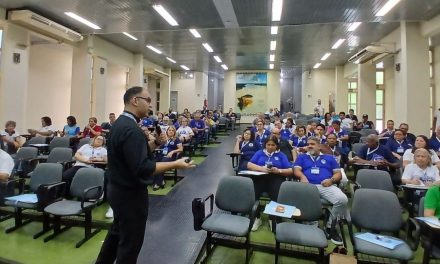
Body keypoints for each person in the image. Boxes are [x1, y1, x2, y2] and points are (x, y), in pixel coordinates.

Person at [96, 86, 194, 264]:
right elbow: (143, 167)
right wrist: (176, 163)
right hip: (129, 194)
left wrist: (156, 142)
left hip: (116, 189)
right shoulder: (132, 130)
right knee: (130, 243)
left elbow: (133, 155)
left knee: (117, 233)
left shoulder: (120, 124)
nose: (150, 105)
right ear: (135, 101)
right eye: (148, 100)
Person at [294, 136, 347, 245]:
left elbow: (338, 174)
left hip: (326, 186)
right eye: (308, 144)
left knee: (342, 199)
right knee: (304, 197)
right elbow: (296, 170)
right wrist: (302, 177)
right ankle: (312, 224)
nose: (309, 146)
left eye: (312, 144)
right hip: (308, 186)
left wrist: (331, 180)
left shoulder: (329, 158)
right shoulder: (302, 157)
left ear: (319, 146)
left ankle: (330, 227)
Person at [247, 136, 293, 231]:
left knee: (277, 196)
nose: (270, 147)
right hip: (260, 178)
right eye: (268, 144)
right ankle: (257, 218)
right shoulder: (260, 153)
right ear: (265, 145)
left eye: (273, 145)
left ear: (277, 145)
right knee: (253, 194)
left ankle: (273, 219)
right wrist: (262, 168)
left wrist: (279, 170)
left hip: (276, 178)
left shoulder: (281, 155)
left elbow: (290, 170)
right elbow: (249, 165)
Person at [152, 126, 183, 191]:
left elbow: (181, 149)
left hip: (170, 157)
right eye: (169, 130)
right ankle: (162, 180)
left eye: (172, 130)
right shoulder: (164, 138)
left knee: (161, 163)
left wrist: (173, 151)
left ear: (174, 132)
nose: (171, 131)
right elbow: (160, 145)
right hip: (161, 154)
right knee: (153, 163)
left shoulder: (176, 139)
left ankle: (157, 183)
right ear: (167, 131)